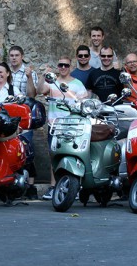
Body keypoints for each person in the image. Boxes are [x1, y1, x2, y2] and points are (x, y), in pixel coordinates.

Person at [37, 56, 88, 200]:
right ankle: (54, 187)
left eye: (66, 65)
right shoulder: (52, 82)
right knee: (54, 155)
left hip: (72, 125)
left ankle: (74, 186)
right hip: (55, 125)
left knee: (73, 155)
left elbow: (84, 103)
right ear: (57, 66)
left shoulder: (77, 84)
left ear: (70, 66)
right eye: (61, 65)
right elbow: (40, 90)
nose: (63, 67)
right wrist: (43, 75)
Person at [8, 45, 38, 199]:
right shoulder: (6, 72)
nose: (14, 58)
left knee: (26, 150)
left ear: (22, 56)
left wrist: (29, 78)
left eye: (17, 55)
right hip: (7, 118)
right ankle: (11, 184)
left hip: (24, 119)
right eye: (11, 55)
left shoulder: (28, 72)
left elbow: (32, 95)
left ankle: (31, 186)